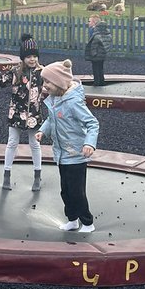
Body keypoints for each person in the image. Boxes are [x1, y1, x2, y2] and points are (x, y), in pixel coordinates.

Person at [35, 59, 99, 233]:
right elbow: (51, 119)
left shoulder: (73, 102)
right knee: (66, 191)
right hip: (62, 154)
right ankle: (72, 220)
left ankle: (87, 222)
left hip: (77, 154)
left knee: (77, 192)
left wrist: (89, 144)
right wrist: (43, 131)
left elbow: (92, 123)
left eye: (48, 81)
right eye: (44, 81)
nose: (45, 85)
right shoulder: (55, 100)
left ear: (59, 82)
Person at [0, 33, 44, 191]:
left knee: (35, 144)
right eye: (28, 57)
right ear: (23, 58)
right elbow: (1, 82)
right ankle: (6, 174)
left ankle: (37, 176)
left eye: (34, 56)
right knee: (12, 143)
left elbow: (54, 85)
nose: (32, 59)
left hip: (34, 115)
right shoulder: (16, 72)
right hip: (16, 114)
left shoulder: (42, 72)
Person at [84, 14, 113, 87]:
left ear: (94, 23)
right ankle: (101, 81)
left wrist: (93, 53)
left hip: (96, 54)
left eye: (89, 21)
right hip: (102, 54)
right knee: (100, 68)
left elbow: (94, 44)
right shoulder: (105, 32)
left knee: (96, 68)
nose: (88, 23)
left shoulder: (94, 31)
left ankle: (96, 82)